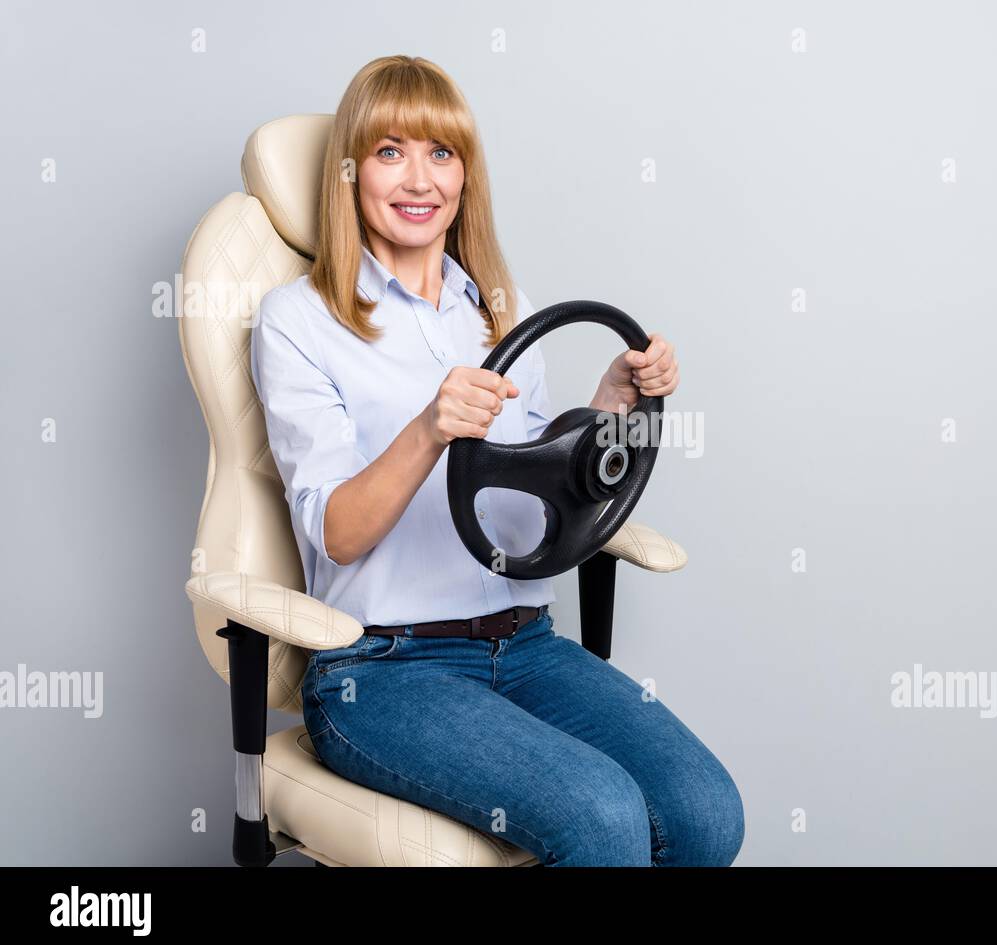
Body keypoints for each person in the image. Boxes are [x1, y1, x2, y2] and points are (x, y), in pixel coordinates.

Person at [248, 55, 743, 866]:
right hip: (384, 671)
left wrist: (611, 406)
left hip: (526, 646)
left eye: (441, 153)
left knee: (706, 814)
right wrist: (428, 430)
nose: (420, 179)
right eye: (390, 151)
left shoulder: (498, 314)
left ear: (465, 175)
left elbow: (534, 497)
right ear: (352, 172)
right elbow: (336, 532)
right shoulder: (298, 321)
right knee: (602, 821)